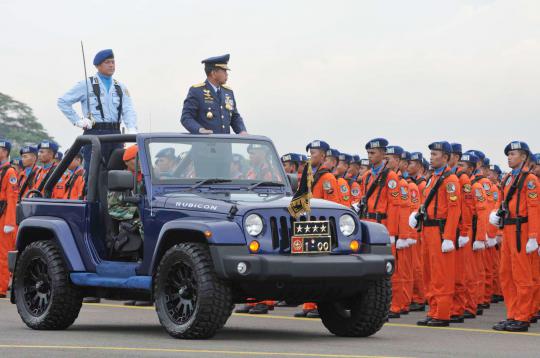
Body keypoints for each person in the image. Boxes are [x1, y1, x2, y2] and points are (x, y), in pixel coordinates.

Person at [58, 49, 138, 173]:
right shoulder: (86, 84)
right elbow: (63, 101)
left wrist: (132, 128)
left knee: (116, 172)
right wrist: (78, 121)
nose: (111, 65)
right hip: (95, 132)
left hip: (115, 133)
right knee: (93, 173)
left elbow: (128, 109)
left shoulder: (120, 87)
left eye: (113, 62)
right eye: (107, 62)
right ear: (98, 65)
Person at [410, 141, 461, 327]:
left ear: (446, 157)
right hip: (428, 230)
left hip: (440, 231)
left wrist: (448, 237)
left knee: (441, 275)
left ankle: (442, 313)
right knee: (429, 274)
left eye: (435, 154)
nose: (431, 157)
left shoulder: (450, 180)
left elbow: (455, 210)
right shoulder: (432, 178)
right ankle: (433, 310)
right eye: (430, 154)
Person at [491, 141, 538, 332]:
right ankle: (512, 313)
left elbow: (535, 209)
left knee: (522, 275)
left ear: (524, 157)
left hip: (522, 230)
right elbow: (503, 206)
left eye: (514, 154)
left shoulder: (530, 179)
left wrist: (534, 236)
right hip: (509, 230)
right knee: (506, 274)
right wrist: (498, 228)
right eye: (508, 154)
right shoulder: (508, 178)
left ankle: (523, 316)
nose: (510, 157)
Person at [293, 140, 340, 318]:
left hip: (320, 225)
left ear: (323, 156)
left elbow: (333, 204)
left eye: (315, 152)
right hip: (305, 224)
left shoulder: (327, 178)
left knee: (319, 267)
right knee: (306, 266)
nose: (311, 155)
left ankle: (316, 305)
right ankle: (309, 303)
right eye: (310, 152)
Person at [180, 54, 247, 135]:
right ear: (213, 73)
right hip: (203, 145)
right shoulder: (197, 91)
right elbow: (186, 117)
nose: (227, 74)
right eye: (224, 71)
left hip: (225, 146)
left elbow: (235, 117)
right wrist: (199, 130)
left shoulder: (228, 92)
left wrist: (242, 131)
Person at [384, 145, 414, 318]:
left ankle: (399, 304)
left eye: (390, 157)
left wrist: (402, 235)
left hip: (396, 232)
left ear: (399, 161)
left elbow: (404, 211)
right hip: (388, 228)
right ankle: (395, 303)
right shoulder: (387, 179)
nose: (386, 160)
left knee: (399, 271)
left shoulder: (402, 183)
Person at [0, 139, 18, 298]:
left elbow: (12, 198)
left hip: (4, 216)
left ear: (5, 152)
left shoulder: (10, 172)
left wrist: (10, 222)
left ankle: (1, 287)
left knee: (3, 254)